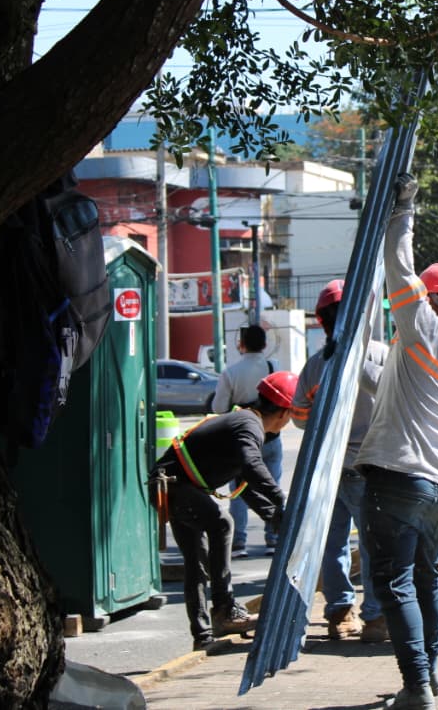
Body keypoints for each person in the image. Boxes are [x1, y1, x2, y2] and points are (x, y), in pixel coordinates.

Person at [356, 173, 438, 710]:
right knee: (428, 582)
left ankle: (417, 687)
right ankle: (432, 676)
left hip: (398, 477)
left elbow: (399, 268)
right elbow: (391, 387)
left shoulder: (421, 327)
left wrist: (405, 208)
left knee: (394, 582)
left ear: (434, 300)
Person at [152, 371, 296, 651]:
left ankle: (203, 635)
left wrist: (273, 515)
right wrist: (281, 499)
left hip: (173, 485)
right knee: (222, 524)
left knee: (197, 562)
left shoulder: (245, 422)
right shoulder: (249, 424)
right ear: (284, 412)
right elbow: (252, 465)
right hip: (173, 486)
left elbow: (246, 481)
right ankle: (224, 610)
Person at [291, 279, 390, 643]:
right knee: (373, 544)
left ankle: (339, 613)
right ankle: (376, 618)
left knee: (331, 543)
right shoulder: (381, 355)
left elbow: (299, 417)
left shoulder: (316, 365)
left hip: (329, 468)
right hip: (371, 467)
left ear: (322, 319)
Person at [212, 324, 281, 557]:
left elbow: (219, 408)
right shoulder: (274, 367)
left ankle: (238, 541)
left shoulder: (231, 373)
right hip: (271, 436)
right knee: (271, 485)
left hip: (242, 440)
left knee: (240, 489)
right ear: (264, 344)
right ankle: (273, 536)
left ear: (241, 345)